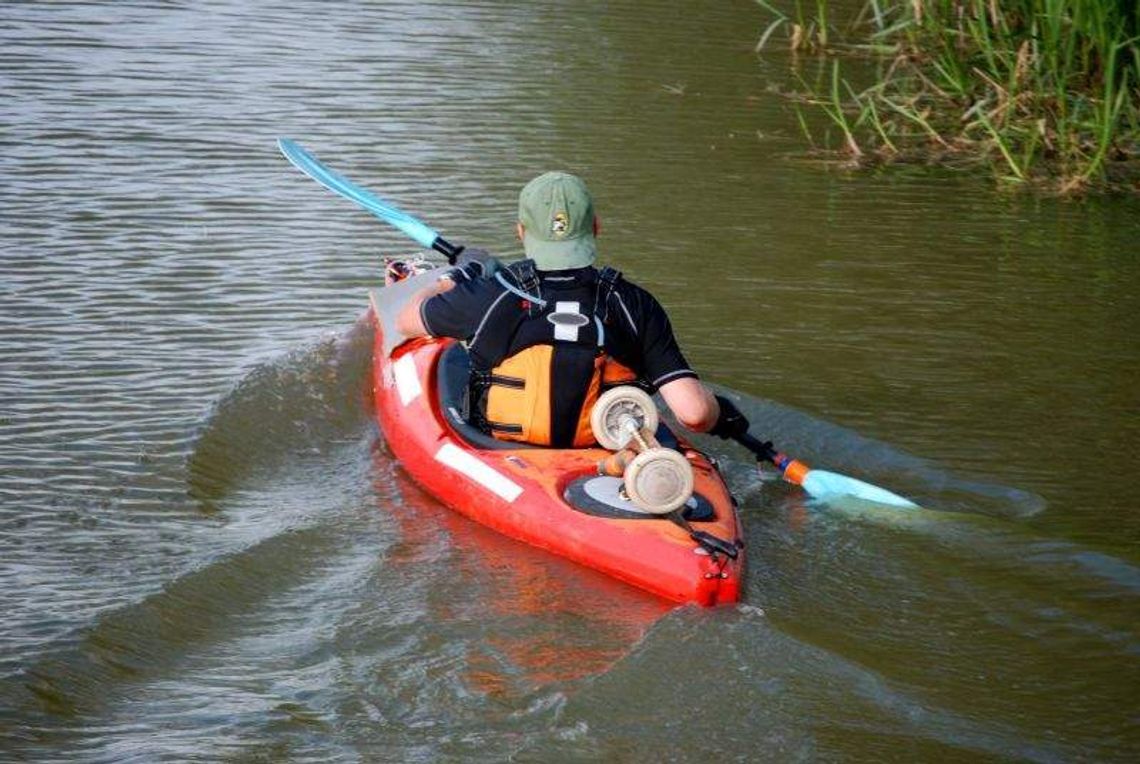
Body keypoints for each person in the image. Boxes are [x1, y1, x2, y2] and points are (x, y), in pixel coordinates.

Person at [395, 171, 750, 448]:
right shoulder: (633, 303)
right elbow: (694, 414)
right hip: (604, 451)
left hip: (503, 452)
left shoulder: (491, 295)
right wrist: (720, 412)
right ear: (596, 228)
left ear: (520, 232)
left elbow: (407, 318)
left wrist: (459, 275)